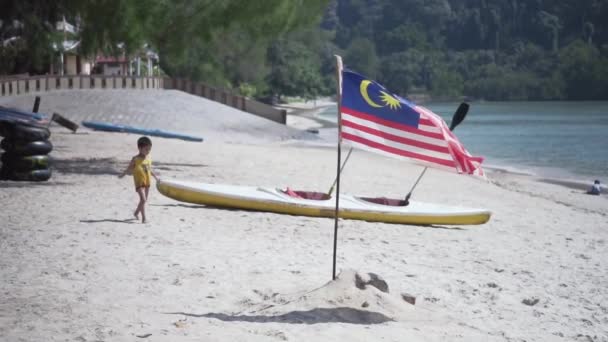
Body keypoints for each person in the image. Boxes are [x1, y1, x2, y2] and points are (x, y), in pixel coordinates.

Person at [119, 136, 159, 222]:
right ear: (139, 148)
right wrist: (123, 174)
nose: (148, 151)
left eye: (149, 149)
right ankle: (144, 218)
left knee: (144, 201)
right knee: (143, 199)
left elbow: (149, 169)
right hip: (139, 182)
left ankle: (136, 212)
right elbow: (129, 168)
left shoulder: (148, 158)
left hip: (147, 182)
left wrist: (156, 177)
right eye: (146, 149)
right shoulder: (135, 159)